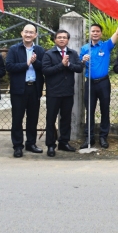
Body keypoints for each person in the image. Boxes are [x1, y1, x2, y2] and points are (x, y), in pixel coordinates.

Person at [79, 22, 118, 149]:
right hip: (90, 83)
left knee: (105, 110)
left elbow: (117, 33)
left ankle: (103, 137)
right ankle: (89, 137)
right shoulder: (84, 48)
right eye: (93, 31)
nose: (95, 33)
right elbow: (79, 64)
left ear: (101, 33)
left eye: (97, 31)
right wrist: (83, 60)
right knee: (90, 110)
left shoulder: (106, 46)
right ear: (90, 33)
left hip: (103, 83)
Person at [6, 24, 46, 158]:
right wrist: (26, 64)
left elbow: (44, 68)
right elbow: (9, 66)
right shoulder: (14, 49)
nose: (28, 35)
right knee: (17, 118)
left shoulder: (40, 50)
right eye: (26, 32)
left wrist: (35, 63)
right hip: (19, 89)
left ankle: (31, 143)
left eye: (31, 32)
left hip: (34, 88)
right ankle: (17, 146)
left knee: (33, 118)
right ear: (21, 33)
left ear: (35, 35)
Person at [42, 29, 83, 157]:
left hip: (67, 92)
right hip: (53, 92)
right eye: (59, 37)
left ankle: (64, 142)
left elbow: (79, 68)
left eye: (64, 37)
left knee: (66, 118)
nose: (62, 39)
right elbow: (46, 70)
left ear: (68, 40)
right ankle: (50, 145)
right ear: (55, 40)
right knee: (51, 119)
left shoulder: (73, 53)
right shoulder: (49, 54)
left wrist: (68, 64)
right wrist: (61, 65)